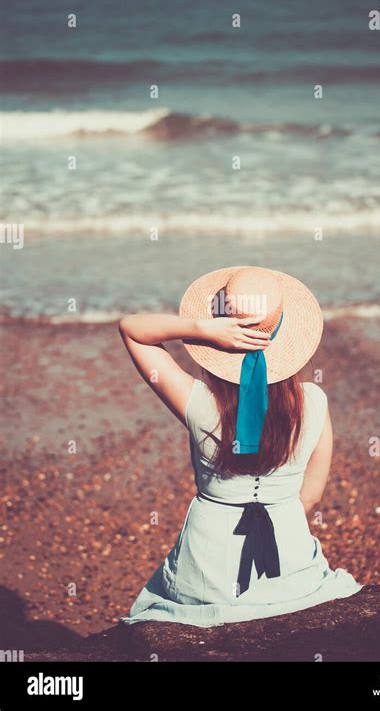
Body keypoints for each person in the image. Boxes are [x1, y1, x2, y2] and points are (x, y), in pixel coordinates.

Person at [118, 265, 363, 628]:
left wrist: (202, 329)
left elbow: (132, 329)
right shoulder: (314, 402)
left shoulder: (199, 403)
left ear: (220, 333)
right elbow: (309, 497)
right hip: (293, 571)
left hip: (205, 577)